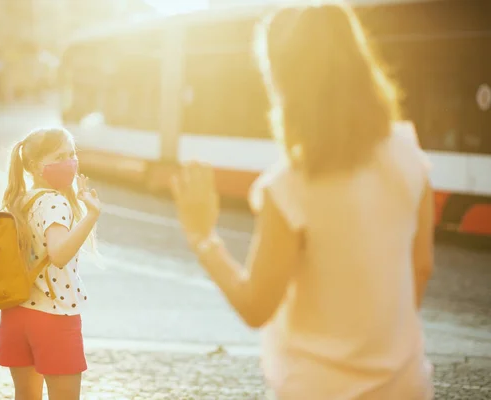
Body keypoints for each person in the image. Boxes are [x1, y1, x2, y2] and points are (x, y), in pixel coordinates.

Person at [171, 3, 435, 399]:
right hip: (405, 384)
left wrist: (202, 237)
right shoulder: (409, 155)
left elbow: (256, 306)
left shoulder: (291, 185)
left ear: (284, 81)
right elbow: (422, 266)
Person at [0, 127, 101, 400]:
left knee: (25, 396)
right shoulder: (55, 203)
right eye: (60, 156)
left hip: (16, 314)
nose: (69, 162)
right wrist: (91, 215)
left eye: (71, 154)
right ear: (34, 165)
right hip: (53, 318)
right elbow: (59, 254)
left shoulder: (19, 199)